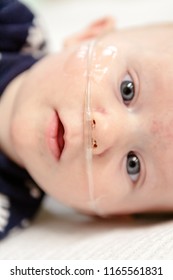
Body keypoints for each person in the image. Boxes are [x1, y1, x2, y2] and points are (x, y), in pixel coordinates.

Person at [1, 0, 173, 240]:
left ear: (108, 214)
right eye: (128, 89)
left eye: (133, 165)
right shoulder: (11, 24)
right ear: (88, 37)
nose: (103, 132)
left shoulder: (4, 212)